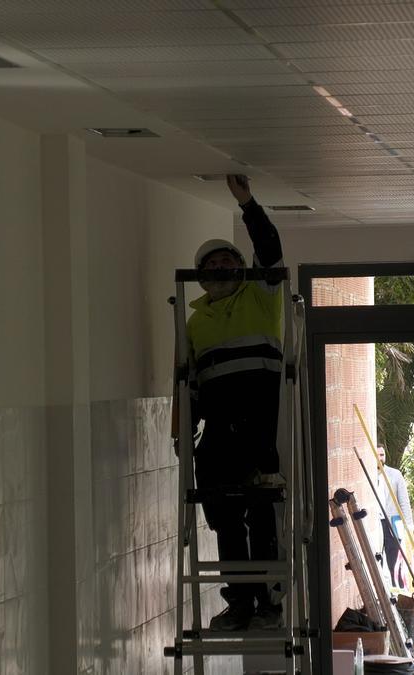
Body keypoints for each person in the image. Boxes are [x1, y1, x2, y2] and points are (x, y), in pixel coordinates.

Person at [186, 174, 286, 631]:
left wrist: (248, 202)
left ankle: (267, 602)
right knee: (225, 520)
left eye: (229, 262)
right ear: (203, 278)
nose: (222, 270)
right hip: (218, 435)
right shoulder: (194, 324)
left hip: (258, 432)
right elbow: (188, 386)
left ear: (241, 269)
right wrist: (184, 433)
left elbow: (270, 247)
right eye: (213, 266)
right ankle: (240, 603)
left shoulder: (262, 299)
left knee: (261, 515)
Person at [374, 445, 414, 589]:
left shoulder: (395, 474)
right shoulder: (369, 475)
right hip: (376, 523)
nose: (380, 458)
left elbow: (404, 501)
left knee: (395, 561)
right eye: (377, 455)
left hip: (392, 522)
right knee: (377, 560)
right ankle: (383, 592)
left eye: (382, 455)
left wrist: (409, 526)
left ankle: (399, 590)